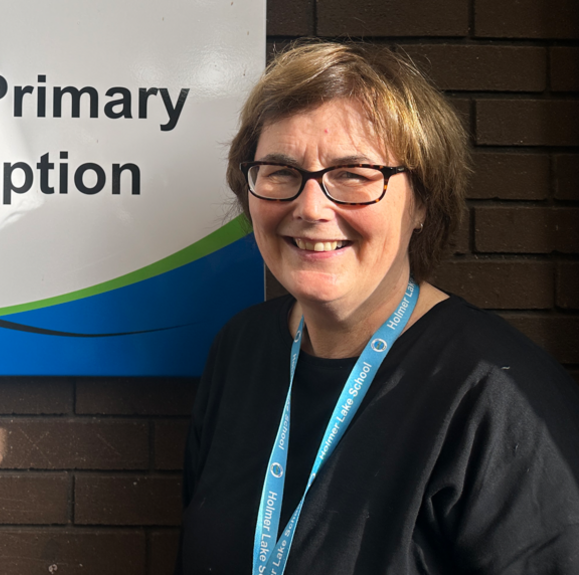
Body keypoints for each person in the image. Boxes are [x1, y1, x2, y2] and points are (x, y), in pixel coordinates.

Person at [177, 41, 579, 574]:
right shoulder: (241, 350)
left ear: (422, 203)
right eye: (279, 170)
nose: (311, 207)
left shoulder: (495, 398)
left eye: (354, 174)